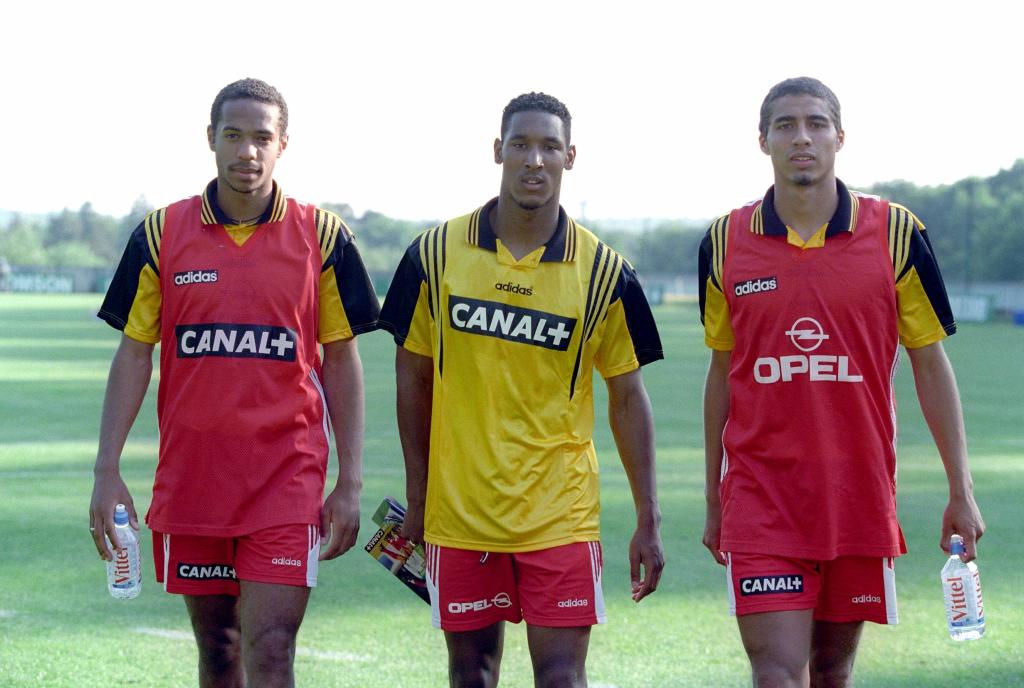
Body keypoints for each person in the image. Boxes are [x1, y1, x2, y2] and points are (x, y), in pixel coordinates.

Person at [88, 78, 380, 687]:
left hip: (286, 477)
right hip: (195, 479)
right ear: (211, 140)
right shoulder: (161, 234)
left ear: (283, 145)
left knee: (271, 646)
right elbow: (134, 354)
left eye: (262, 138)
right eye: (234, 136)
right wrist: (106, 469)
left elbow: (342, 360)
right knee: (220, 651)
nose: (248, 152)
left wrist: (349, 480)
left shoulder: (322, 237)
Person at [698, 76, 985, 688]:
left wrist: (960, 488)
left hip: (855, 495)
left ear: (839, 137)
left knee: (832, 671)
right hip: (761, 497)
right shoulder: (725, 241)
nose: (801, 137)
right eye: (785, 125)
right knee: (778, 672)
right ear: (763, 141)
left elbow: (930, 364)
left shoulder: (897, 234)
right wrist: (711, 496)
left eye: (816, 123)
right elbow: (722, 373)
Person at [378, 92, 665, 688]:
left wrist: (648, 517)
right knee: (471, 675)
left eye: (550, 147)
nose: (535, 160)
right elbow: (411, 374)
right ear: (498, 152)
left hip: (560, 516)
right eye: (522, 145)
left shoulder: (606, 272)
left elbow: (629, 397)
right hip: (460, 516)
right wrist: (419, 490)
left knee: (561, 677)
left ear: (570, 157)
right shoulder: (434, 255)